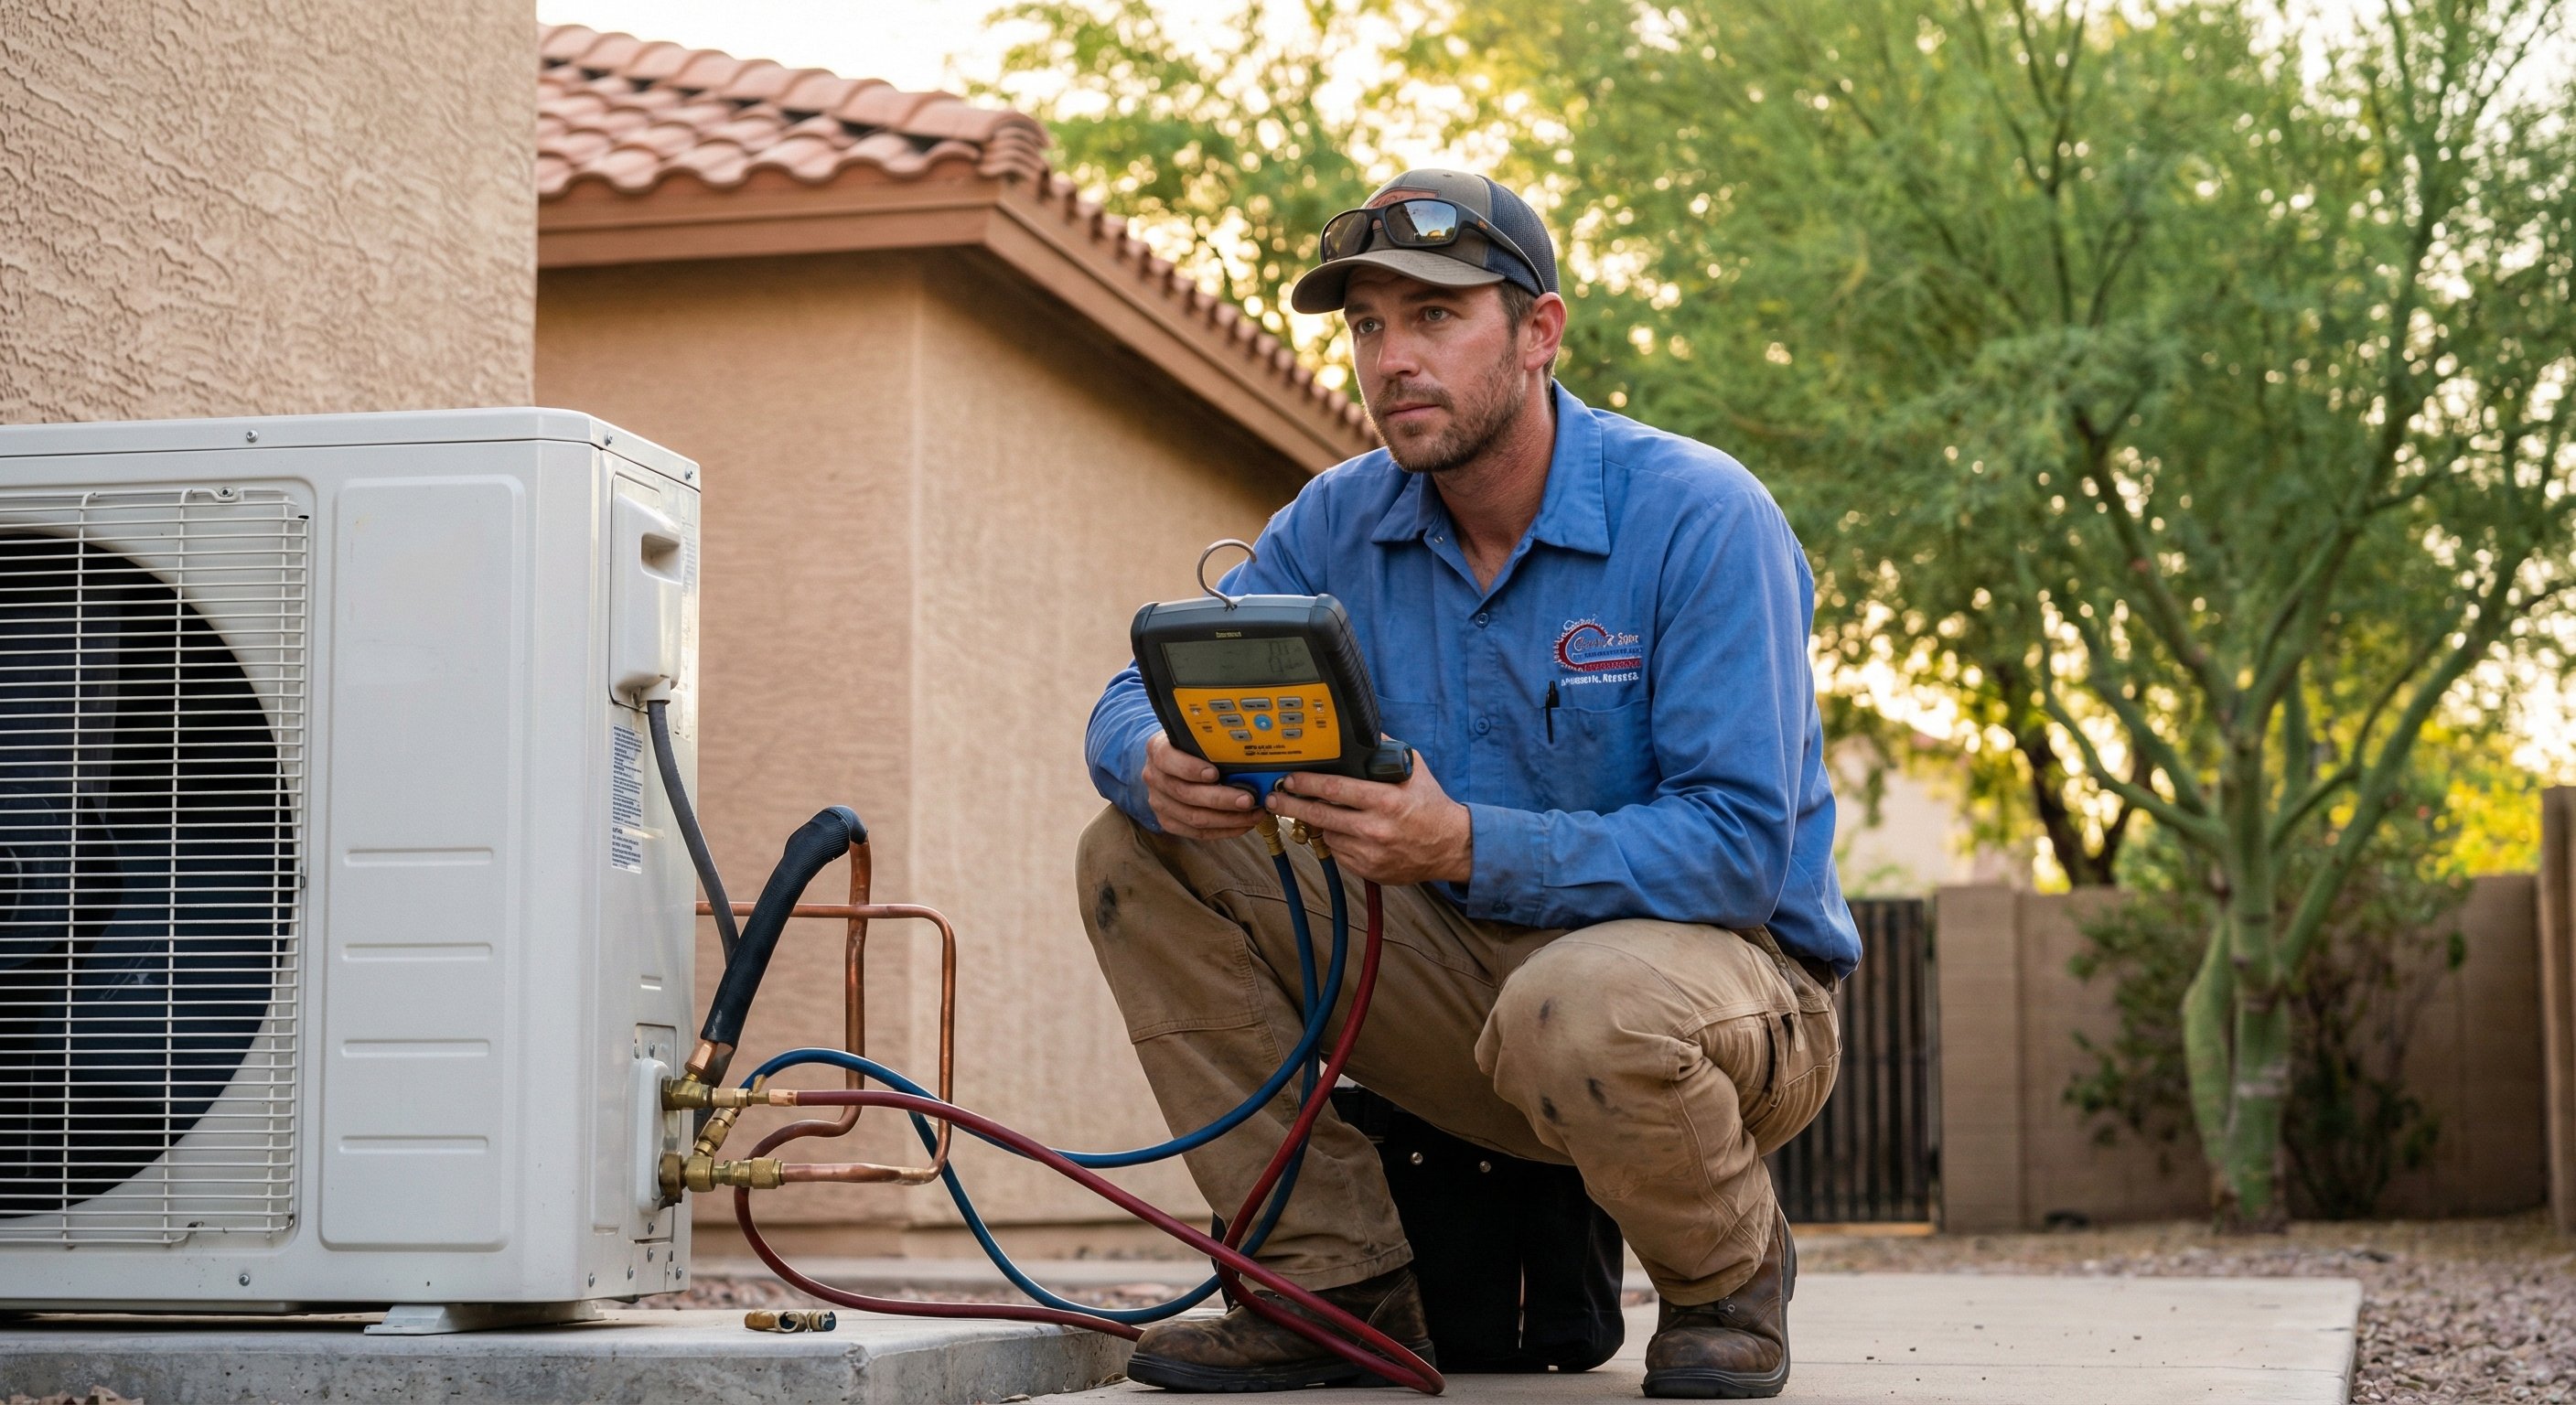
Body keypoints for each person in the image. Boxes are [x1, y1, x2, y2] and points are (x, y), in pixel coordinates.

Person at [1077, 168, 1859, 1400]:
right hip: (1466, 996)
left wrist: (1460, 845)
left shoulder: (1702, 518)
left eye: (1436, 316)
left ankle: (1728, 1275)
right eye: (1368, 325)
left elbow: (1739, 851)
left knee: (1582, 1001)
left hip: (1727, 1003)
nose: (1392, 359)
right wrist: (1154, 762)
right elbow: (1136, 691)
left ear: (1540, 332)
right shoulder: (1337, 522)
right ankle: (1329, 1282)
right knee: (1130, 854)